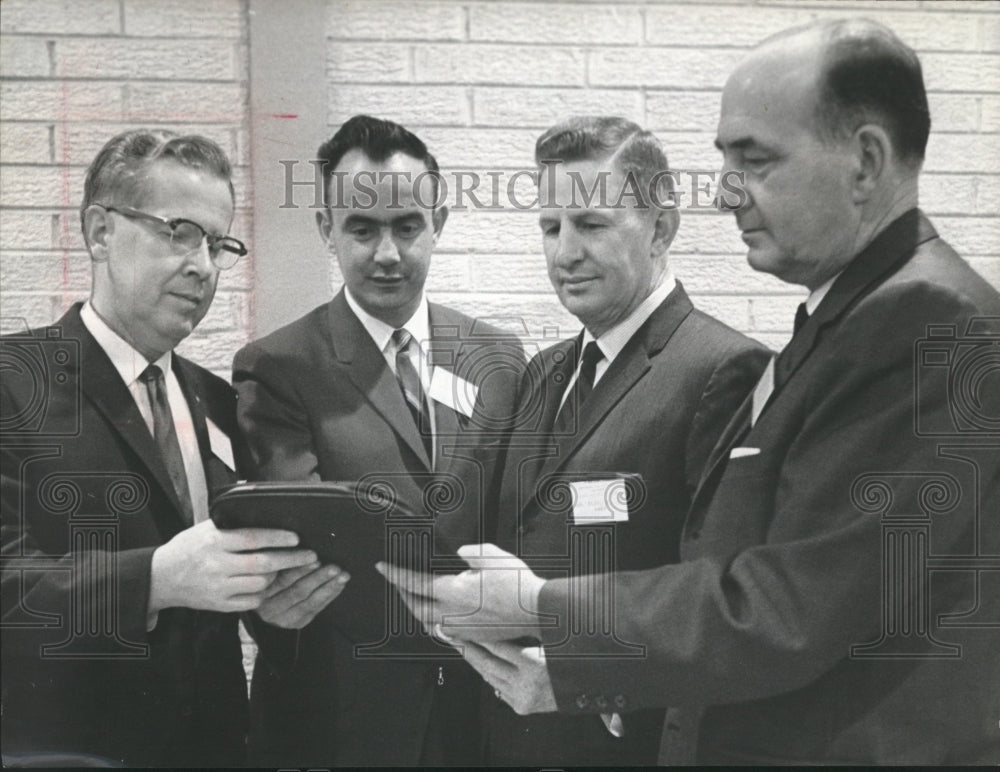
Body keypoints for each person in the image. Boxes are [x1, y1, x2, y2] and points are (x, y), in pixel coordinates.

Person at [381, 19, 1000, 765]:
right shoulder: (846, 319)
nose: (726, 194)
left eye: (756, 161)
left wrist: (544, 608)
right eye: (550, 225)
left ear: (866, 161)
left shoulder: (930, 322)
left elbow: (790, 607)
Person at [432, 116, 768, 766]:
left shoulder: (725, 371)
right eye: (550, 227)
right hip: (514, 739)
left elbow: (721, 601)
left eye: (590, 224)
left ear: (661, 228)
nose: (564, 253)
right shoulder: (543, 372)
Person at [0, 129, 329, 767]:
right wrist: (154, 580)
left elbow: (221, 585)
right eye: (177, 231)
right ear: (99, 232)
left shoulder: (218, 399)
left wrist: (275, 613)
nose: (202, 265)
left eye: (217, 243)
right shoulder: (15, 382)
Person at [233, 115, 524, 766]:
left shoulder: (497, 359)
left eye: (406, 226)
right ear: (326, 231)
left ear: (439, 222)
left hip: (480, 713)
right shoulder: (278, 368)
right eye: (362, 230)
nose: (386, 253)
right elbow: (301, 555)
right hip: (344, 717)